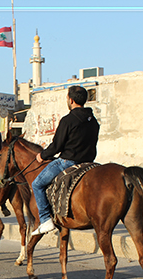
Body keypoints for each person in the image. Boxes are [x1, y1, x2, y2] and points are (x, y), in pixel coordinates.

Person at [31, 85, 100, 235]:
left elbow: (57, 145)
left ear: (71, 100)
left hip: (68, 161)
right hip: (89, 163)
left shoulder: (68, 120)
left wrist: (42, 155)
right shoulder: (93, 121)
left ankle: (45, 220)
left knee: (36, 184)